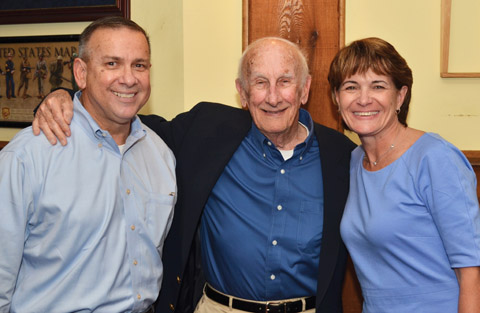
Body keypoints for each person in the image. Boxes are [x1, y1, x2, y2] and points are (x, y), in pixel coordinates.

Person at [33, 37, 356, 313]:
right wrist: (63, 97)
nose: (273, 97)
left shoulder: (341, 155)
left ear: (304, 89)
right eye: (260, 82)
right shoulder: (207, 131)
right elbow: (121, 114)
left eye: (285, 81)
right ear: (242, 93)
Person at [0, 16, 177, 313]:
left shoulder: (160, 154)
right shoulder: (29, 156)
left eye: (139, 65)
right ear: (80, 73)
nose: (129, 78)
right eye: (112, 64)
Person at [327, 37, 480, 313]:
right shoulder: (354, 161)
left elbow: (471, 272)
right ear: (337, 99)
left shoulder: (435, 158)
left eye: (378, 86)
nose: (363, 99)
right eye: (351, 87)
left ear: (400, 96)